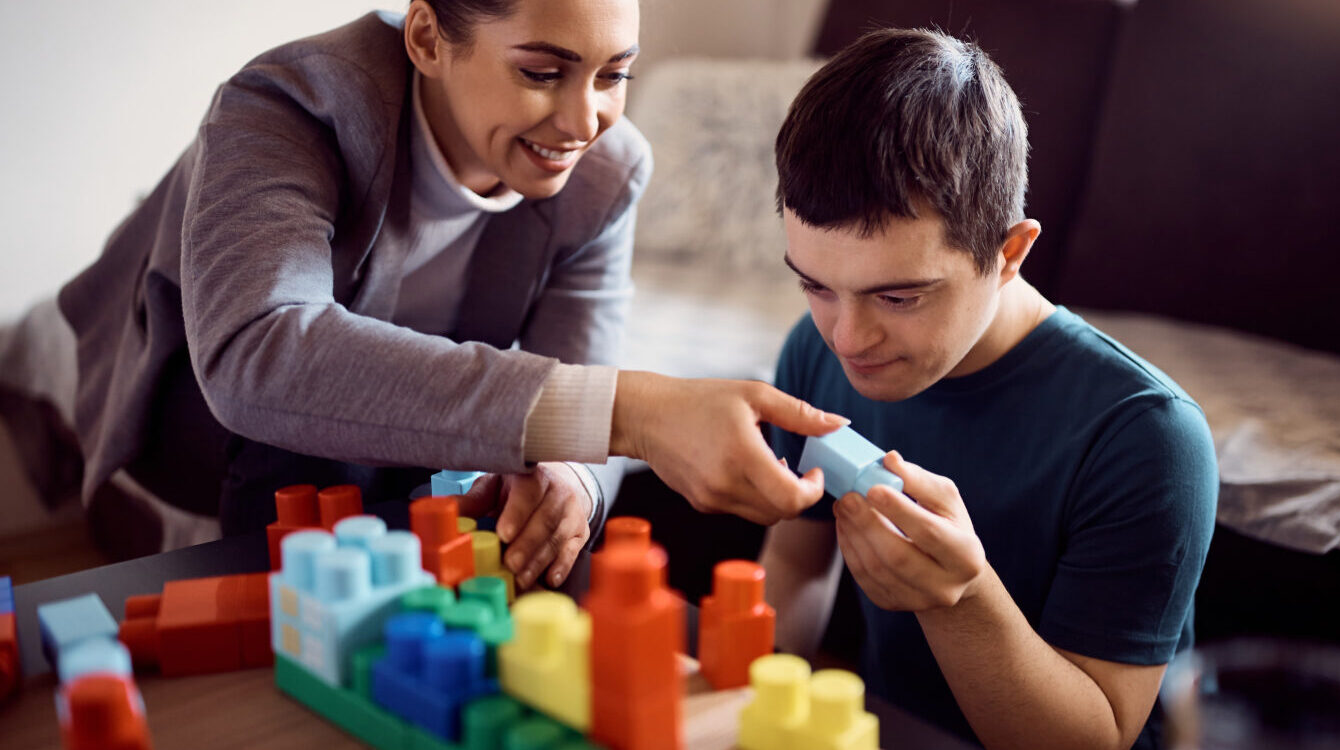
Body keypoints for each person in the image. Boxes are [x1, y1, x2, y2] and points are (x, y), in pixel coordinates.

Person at [52, 0, 841, 589]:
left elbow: (579, 366)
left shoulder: (607, 171)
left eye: (615, 75)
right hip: (216, 412)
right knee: (328, 450)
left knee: (528, 488)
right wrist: (633, 414)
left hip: (402, 439)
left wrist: (572, 473)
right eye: (541, 72)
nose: (584, 119)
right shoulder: (290, 103)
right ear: (427, 39)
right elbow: (260, 351)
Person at [759, 28, 1218, 749]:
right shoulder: (812, 357)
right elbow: (794, 565)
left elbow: (1097, 738)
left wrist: (962, 600)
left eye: (899, 298)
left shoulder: (1144, 435)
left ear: (1009, 253)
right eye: (816, 285)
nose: (846, 339)